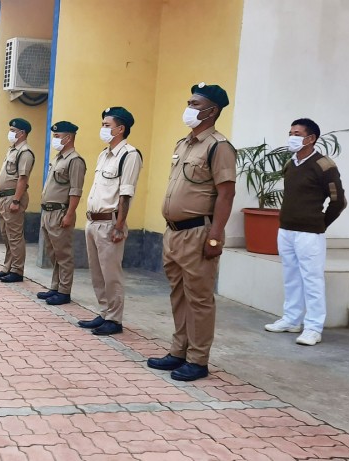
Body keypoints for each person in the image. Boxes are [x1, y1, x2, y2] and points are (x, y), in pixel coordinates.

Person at [146, 83, 237, 381]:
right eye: (189, 102)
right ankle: (179, 351)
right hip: (174, 233)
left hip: (199, 232)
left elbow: (226, 195)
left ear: (212, 111)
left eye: (195, 104)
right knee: (178, 295)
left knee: (199, 298)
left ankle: (198, 360)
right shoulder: (183, 144)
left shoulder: (219, 147)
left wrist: (215, 236)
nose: (189, 107)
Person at [264, 118, 346, 346]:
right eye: (290, 132)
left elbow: (338, 201)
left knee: (312, 280)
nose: (292, 137)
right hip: (286, 230)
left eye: (297, 133)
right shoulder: (291, 164)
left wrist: (319, 223)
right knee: (291, 277)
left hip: (309, 234)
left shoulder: (324, 165)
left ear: (311, 138)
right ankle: (291, 320)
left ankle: (313, 328)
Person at [77, 107, 143, 336]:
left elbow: (126, 193)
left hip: (109, 222)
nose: (103, 129)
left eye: (107, 125)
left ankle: (114, 319)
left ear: (120, 129)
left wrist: (119, 226)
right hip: (93, 221)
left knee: (111, 273)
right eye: (103, 125)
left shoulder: (129, 155)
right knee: (97, 272)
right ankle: (104, 312)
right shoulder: (104, 154)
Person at [36, 121, 86, 306]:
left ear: (69, 137)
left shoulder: (75, 161)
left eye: (58, 136)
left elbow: (75, 190)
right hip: (48, 212)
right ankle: (55, 287)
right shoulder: (58, 159)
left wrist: (70, 214)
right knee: (53, 252)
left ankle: (64, 291)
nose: (55, 139)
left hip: (60, 212)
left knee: (63, 254)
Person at [0, 118, 35, 283]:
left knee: (15, 236)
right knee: (6, 235)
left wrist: (16, 200)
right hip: (4, 198)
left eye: (13, 130)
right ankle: (7, 266)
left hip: (13, 198)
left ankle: (17, 270)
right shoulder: (13, 150)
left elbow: (22, 178)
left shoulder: (25, 152)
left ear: (22, 133)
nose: (10, 133)